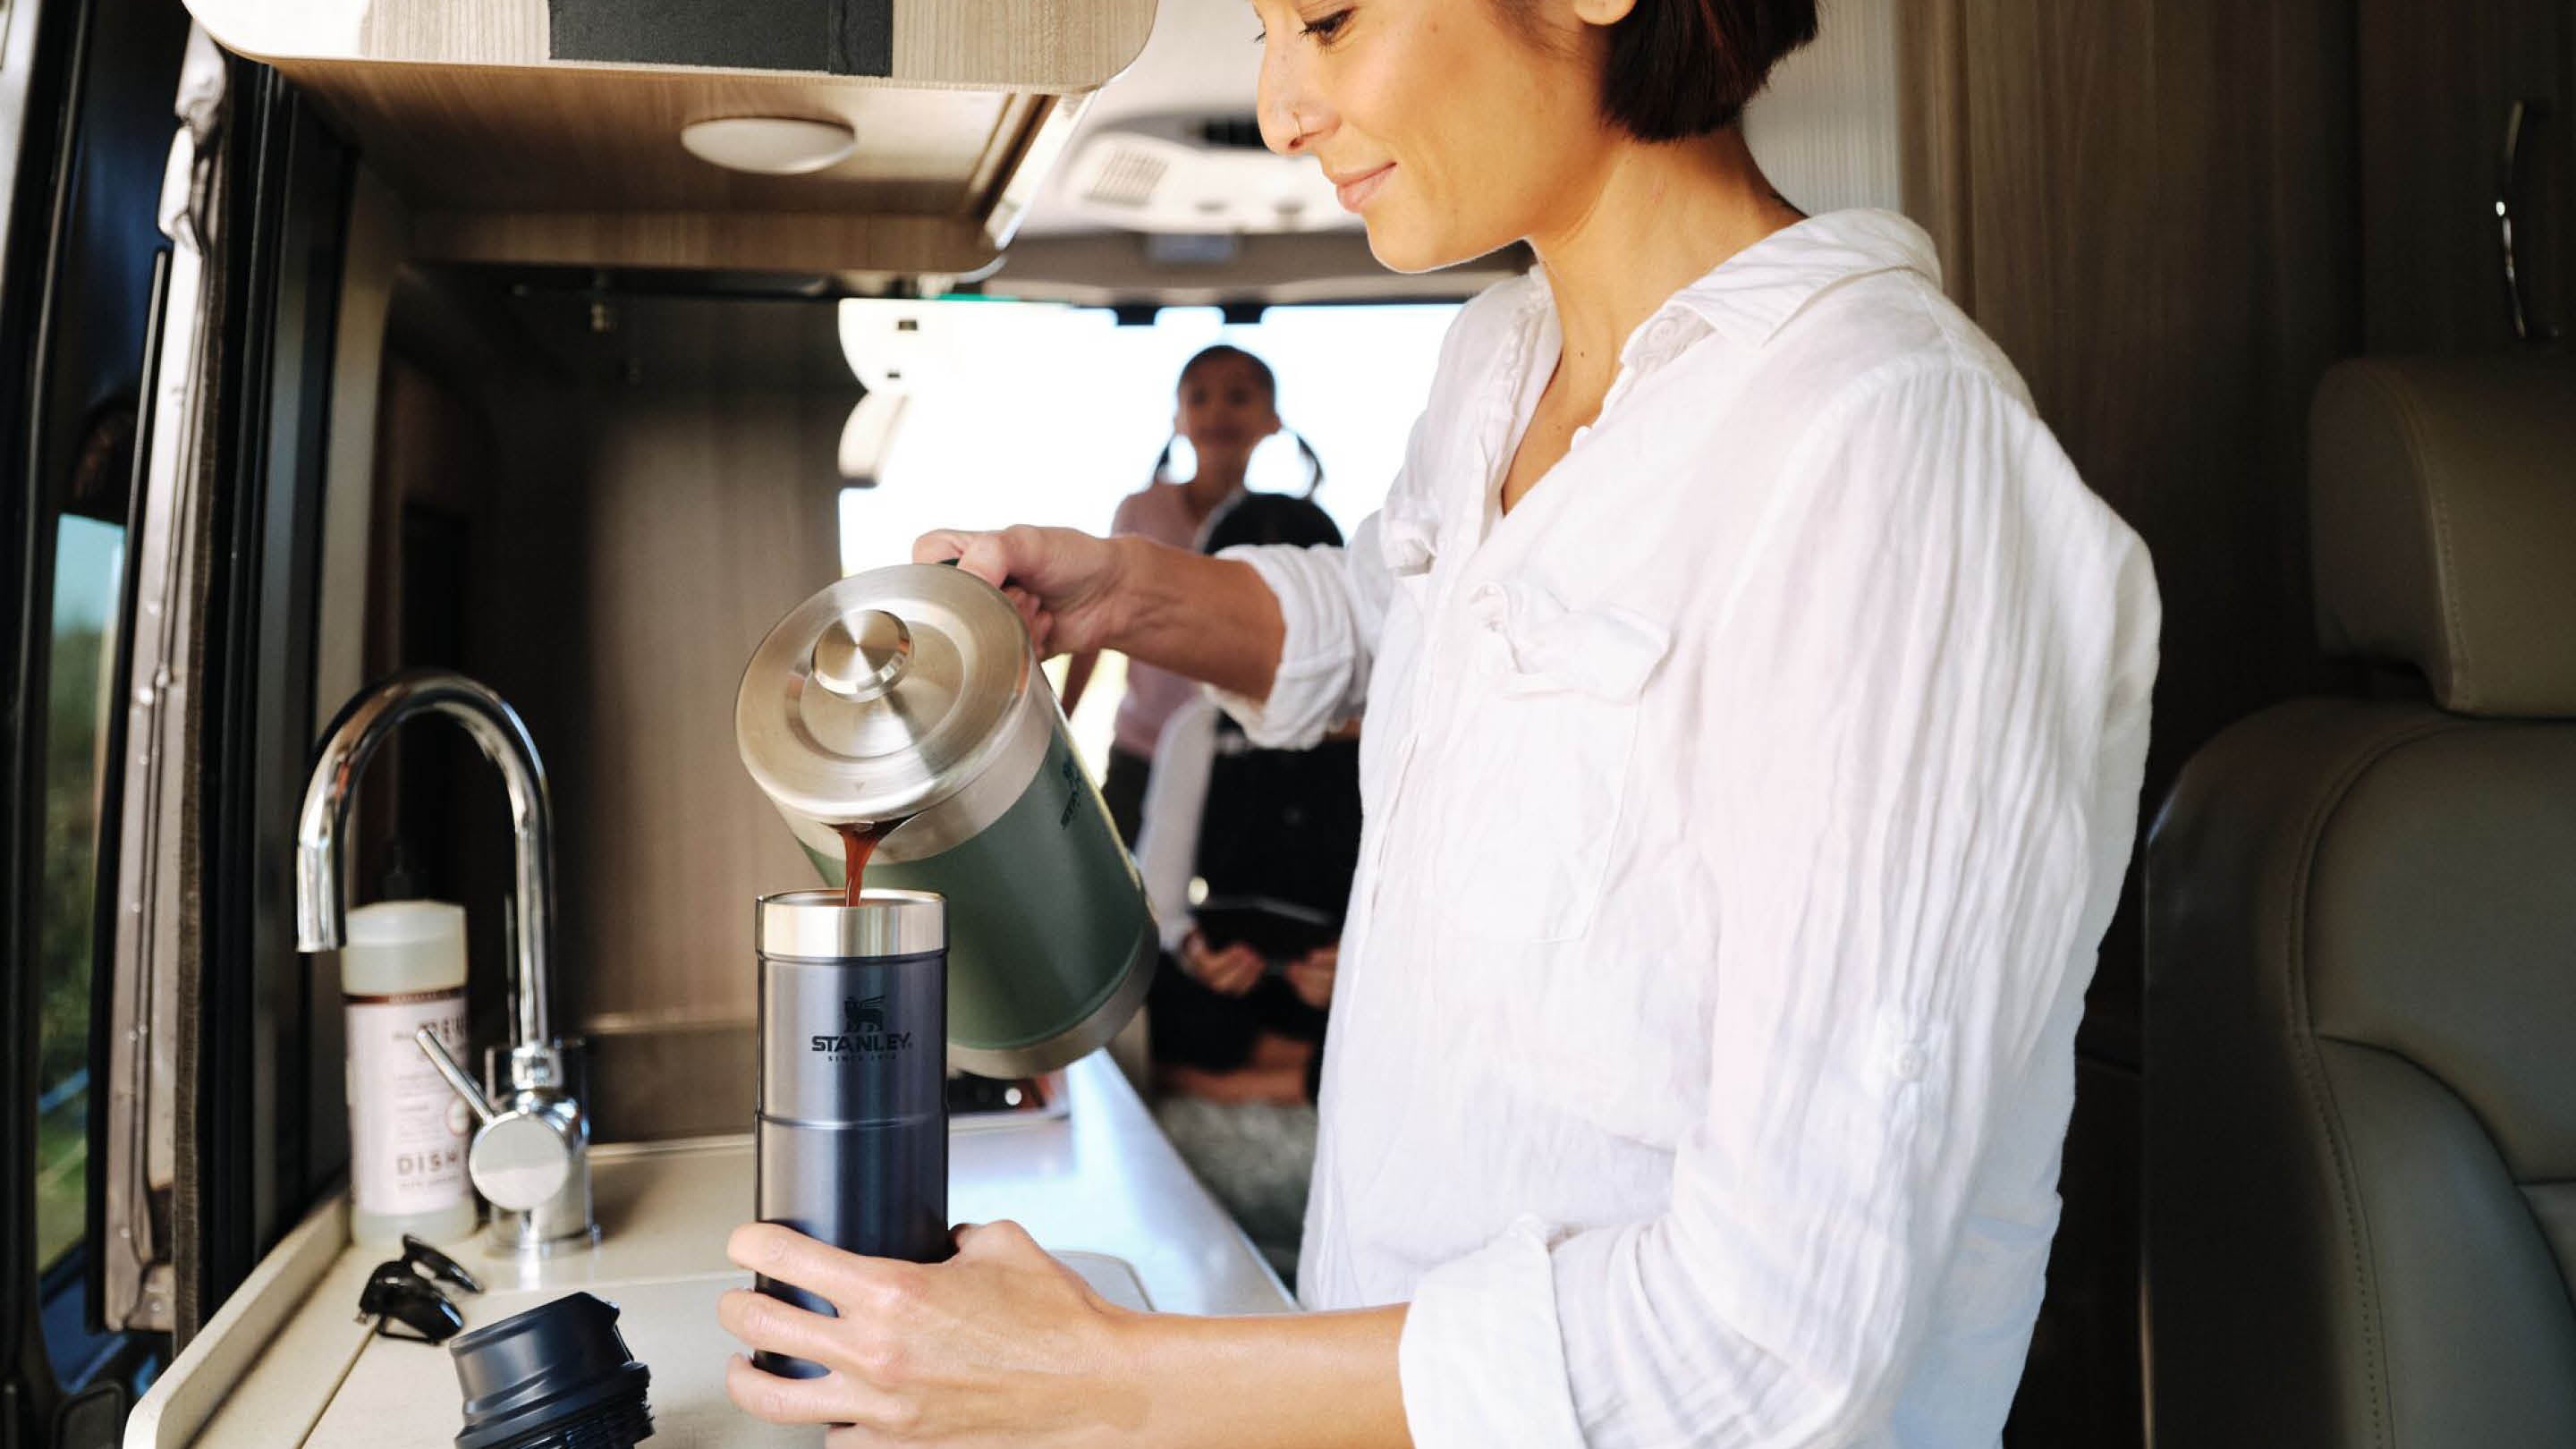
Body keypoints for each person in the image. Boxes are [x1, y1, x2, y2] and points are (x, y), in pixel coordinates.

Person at [718, 2, 2162, 1445]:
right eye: (1265, 29)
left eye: (1328, 17)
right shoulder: (1502, 363)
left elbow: (1770, 1345)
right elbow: (1408, 620)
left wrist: (1096, 1374)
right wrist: (1129, 593)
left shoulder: (1890, 456)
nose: (1280, 108)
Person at [1132, 492, 1357, 1280]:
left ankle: (1251, 1078)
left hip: (1336, 1004)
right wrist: (1194, 951)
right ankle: (1283, 1076)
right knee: (1149, 987)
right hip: (1235, 995)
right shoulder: (1199, 732)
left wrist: (1357, 969)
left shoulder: (1391, 732)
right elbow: (1157, 905)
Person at [1063, 343, 1326, 843]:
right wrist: (1064, 719)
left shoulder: (1280, 525)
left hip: (1239, 751)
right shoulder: (1140, 510)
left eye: (1238, 397)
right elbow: (1092, 626)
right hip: (1141, 747)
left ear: (1272, 422)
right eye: (1200, 398)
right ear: (1178, 420)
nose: (1218, 410)